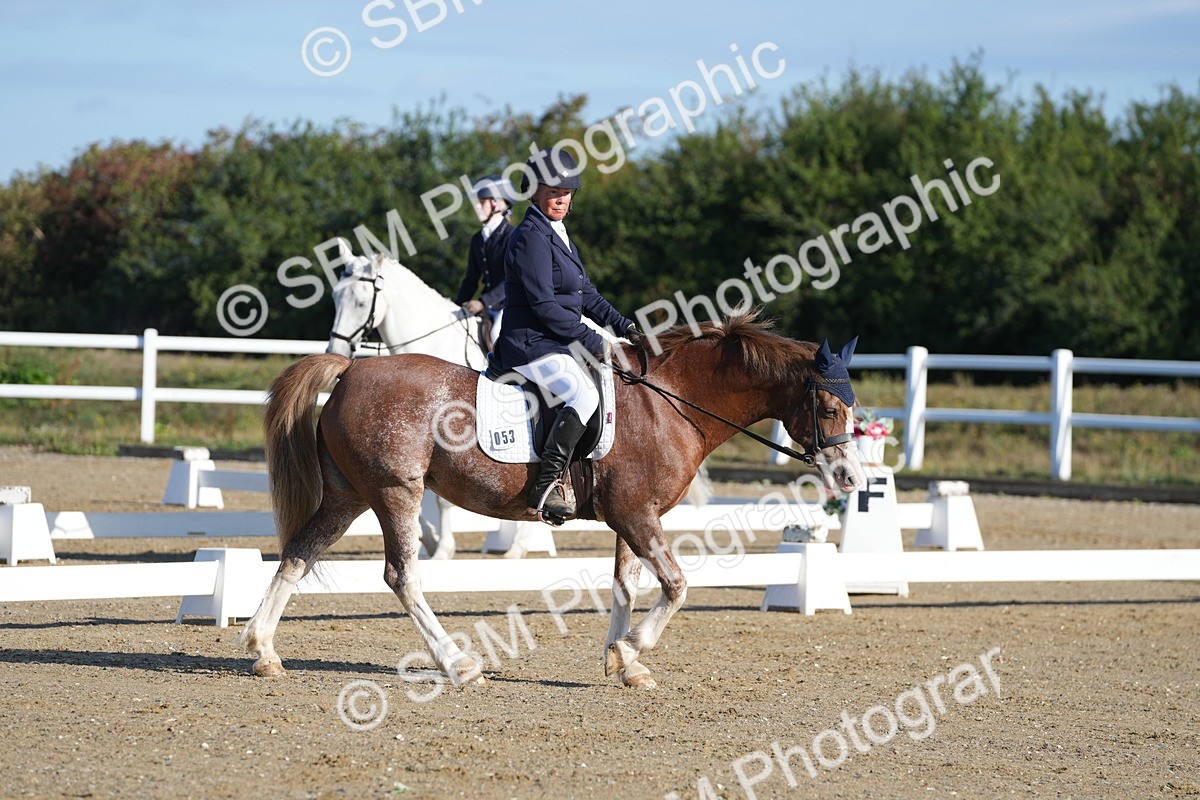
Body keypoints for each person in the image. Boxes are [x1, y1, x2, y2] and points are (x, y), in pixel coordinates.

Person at [494, 146, 640, 523]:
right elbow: (544, 306)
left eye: (567, 192)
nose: (561, 198)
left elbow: (585, 294)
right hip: (529, 345)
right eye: (553, 191)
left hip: (553, 341)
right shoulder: (530, 236)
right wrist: (596, 342)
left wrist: (625, 327)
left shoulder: (556, 232)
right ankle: (545, 485)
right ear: (534, 191)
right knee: (583, 392)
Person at [453, 174, 516, 350]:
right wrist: (456, 307)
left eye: (482, 202)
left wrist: (482, 301)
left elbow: (512, 279)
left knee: (496, 334)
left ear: (497, 204)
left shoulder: (513, 237)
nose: (477, 206)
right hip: (488, 308)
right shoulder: (478, 240)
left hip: (510, 306)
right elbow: (471, 279)